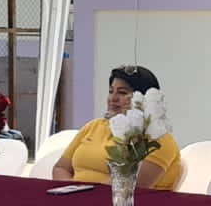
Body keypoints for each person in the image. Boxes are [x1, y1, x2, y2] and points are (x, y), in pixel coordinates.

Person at [53, 65, 183, 190]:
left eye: (122, 92)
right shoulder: (93, 126)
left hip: (126, 203)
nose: (113, 98)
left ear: (143, 99)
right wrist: (70, 190)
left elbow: (130, 185)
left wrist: (81, 193)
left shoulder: (157, 138)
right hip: (76, 198)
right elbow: (61, 168)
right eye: (111, 91)